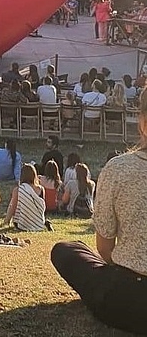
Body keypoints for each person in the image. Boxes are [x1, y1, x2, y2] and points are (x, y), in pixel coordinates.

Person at [50, 90, 147, 334]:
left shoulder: (118, 169)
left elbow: (105, 249)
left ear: (143, 124)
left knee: (66, 250)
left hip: (127, 299)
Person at [5, 164, 46, 231]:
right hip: (39, 222)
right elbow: (42, 207)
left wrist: (7, 220)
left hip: (22, 223)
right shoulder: (41, 189)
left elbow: (13, 207)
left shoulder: (18, 189)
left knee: (13, 201)